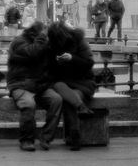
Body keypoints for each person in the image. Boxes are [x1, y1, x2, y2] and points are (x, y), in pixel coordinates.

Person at [7, 21, 63, 151]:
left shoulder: (42, 43)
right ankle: (27, 140)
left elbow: (47, 62)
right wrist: (42, 39)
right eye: (43, 33)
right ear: (35, 33)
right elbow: (32, 54)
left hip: (39, 85)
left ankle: (46, 137)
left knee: (56, 100)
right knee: (28, 104)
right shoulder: (19, 42)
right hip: (20, 83)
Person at [45, 21, 96, 151]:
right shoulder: (51, 44)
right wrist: (55, 62)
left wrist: (72, 59)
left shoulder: (79, 41)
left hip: (82, 82)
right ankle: (81, 108)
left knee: (69, 100)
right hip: (63, 82)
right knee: (60, 87)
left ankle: (74, 136)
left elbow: (88, 63)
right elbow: (48, 69)